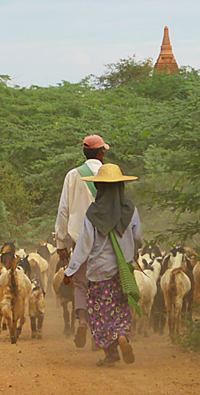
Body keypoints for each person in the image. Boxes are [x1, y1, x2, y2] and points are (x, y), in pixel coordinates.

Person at [62, 163, 143, 366]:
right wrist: (132, 256)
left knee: (101, 314)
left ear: (99, 187)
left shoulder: (93, 213)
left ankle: (110, 355)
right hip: (123, 271)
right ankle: (122, 336)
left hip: (99, 273)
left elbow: (83, 245)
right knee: (121, 309)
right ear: (121, 186)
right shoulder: (131, 210)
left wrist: (70, 270)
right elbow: (138, 238)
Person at [54, 134, 107, 348]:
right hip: (105, 242)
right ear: (101, 153)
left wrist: (61, 243)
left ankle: (83, 321)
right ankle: (99, 334)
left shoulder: (72, 175)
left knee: (81, 285)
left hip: (80, 242)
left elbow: (64, 210)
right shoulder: (110, 175)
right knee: (103, 286)